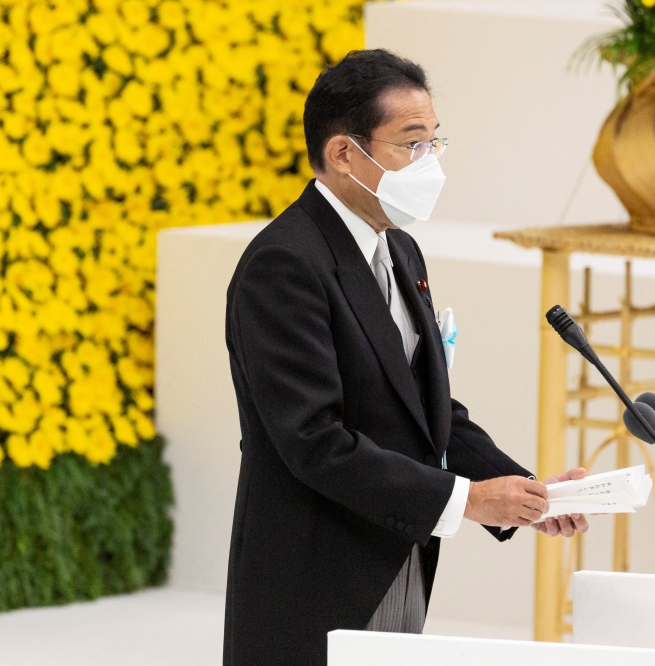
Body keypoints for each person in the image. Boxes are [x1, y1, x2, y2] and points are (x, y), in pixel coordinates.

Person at [223, 49, 589, 666]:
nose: (430, 163)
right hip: (315, 572)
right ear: (345, 153)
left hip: (399, 551)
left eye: (434, 142)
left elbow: (426, 408)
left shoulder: (399, 249)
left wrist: (523, 492)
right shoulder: (284, 264)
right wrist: (468, 500)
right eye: (411, 143)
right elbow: (313, 441)